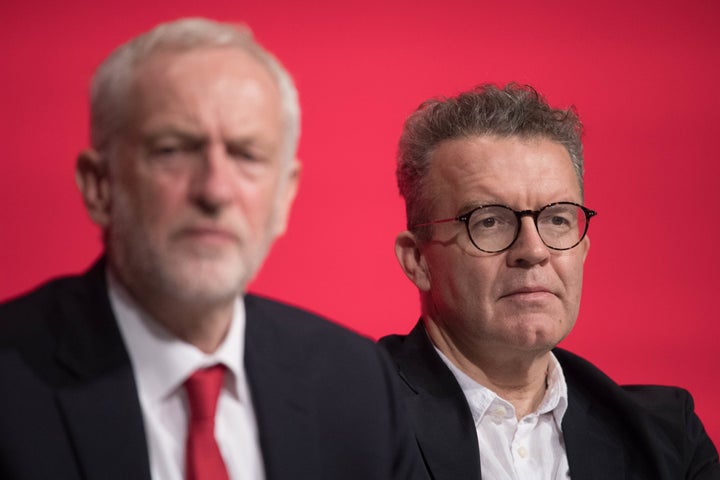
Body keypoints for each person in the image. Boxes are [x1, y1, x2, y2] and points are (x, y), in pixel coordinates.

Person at [0, 18, 421, 480]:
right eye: (173, 150)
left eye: (245, 155)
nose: (215, 191)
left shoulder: (356, 384)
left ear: (284, 196)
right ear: (99, 185)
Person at [379, 83, 720, 479]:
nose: (534, 249)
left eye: (557, 219)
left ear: (583, 250)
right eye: (489, 221)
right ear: (417, 259)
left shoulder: (665, 438)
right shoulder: (349, 419)